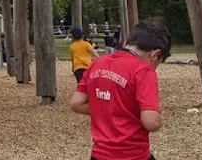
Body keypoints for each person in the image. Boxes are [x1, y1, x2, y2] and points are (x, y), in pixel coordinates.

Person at [70, 19, 171, 160]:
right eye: (156, 64)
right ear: (154, 54)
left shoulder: (98, 63)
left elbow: (76, 103)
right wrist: (158, 119)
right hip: (132, 155)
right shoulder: (143, 71)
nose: (154, 68)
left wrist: (110, 108)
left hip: (99, 155)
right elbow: (151, 122)